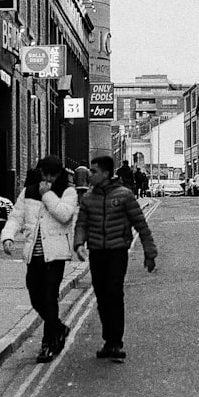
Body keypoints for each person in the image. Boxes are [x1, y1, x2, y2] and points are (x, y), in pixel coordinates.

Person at [74, 155, 157, 361]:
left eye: (94, 171)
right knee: (102, 296)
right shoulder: (88, 198)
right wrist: (78, 244)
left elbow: (141, 225)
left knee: (114, 293)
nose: (90, 175)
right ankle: (108, 340)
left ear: (104, 173)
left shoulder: (125, 195)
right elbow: (82, 224)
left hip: (117, 251)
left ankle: (116, 343)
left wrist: (150, 253)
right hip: (96, 252)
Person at [1, 156, 78, 363]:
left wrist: (48, 196)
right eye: (45, 174)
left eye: (53, 175)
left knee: (49, 297)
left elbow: (64, 215)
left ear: (59, 174)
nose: (48, 178)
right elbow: (16, 217)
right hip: (33, 255)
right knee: (36, 298)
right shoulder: (28, 192)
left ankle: (48, 343)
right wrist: (8, 237)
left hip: (56, 255)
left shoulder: (68, 192)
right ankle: (59, 328)